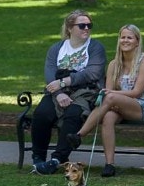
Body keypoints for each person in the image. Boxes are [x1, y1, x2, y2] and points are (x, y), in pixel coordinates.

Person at [74, 23, 144, 177]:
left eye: (129, 38)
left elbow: (137, 93)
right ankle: (109, 165)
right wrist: (111, 97)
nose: (125, 40)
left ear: (137, 42)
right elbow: (108, 95)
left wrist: (112, 94)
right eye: (122, 37)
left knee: (111, 97)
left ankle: (79, 135)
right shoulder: (114, 64)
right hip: (118, 106)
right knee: (107, 117)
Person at [30, 10, 107, 175]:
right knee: (42, 114)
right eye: (81, 25)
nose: (86, 28)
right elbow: (50, 74)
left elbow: (92, 73)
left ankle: (57, 159)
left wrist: (65, 81)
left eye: (89, 25)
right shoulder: (57, 48)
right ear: (70, 28)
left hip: (85, 92)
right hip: (58, 91)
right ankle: (38, 158)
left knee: (73, 115)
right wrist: (58, 94)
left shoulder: (95, 47)